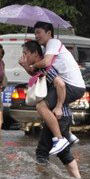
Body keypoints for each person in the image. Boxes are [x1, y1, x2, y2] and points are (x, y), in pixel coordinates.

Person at [20, 40, 81, 178]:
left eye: (26, 53)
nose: (24, 56)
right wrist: (25, 66)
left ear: (35, 53)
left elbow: (60, 84)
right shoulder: (40, 67)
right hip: (56, 117)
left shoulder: (47, 67)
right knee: (47, 151)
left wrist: (59, 107)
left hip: (59, 116)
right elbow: (35, 74)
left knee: (47, 151)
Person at [28, 21, 84, 155]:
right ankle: (67, 136)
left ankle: (60, 139)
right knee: (46, 151)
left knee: (41, 106)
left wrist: (33, 65)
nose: (36, 36)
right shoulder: (47, 49)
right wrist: (28, 65)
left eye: (39, 33)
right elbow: (38, 72)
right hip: (70, 86)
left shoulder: (53, 43)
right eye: (35, 33)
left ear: (49, 33)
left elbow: (45, 64)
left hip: (72, 86)